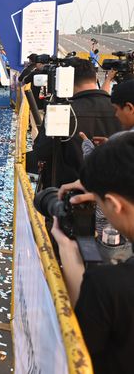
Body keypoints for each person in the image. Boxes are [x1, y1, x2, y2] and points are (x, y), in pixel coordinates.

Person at [51, 135, 134, 374]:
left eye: (99, 203)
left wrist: (69, 253)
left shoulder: (109, 286)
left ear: (114, 205)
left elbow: (76, 351)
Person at [31, 58, 121, 186]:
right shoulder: (121, 109)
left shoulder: (63, 111)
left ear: (65, 81)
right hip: (113, 191)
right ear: (95, 78)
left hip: (69, 190)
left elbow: (41, 152)